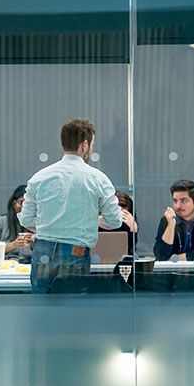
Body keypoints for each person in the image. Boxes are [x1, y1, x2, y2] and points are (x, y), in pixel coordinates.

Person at [18, 118, 122, 294]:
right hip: (75, 252)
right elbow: (115, 221)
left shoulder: (39, 177)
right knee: (71, 315)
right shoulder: (97, 179)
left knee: (41, 312)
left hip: (42, 250)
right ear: (85, 145)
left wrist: (50, 226)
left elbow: (26, 219)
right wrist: (91, 220)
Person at [153, 179, 194, 261]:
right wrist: (171, 225)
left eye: (183, 201)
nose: (178, 206)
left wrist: (176, 259)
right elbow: (161, 255)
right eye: (175, 201)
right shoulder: (167, 220)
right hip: (173, 271)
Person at [0, 185, 33, 262]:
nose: (25, 207)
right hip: (3, 266)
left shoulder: (39, 225)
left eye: (29, 204)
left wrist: (35, 245)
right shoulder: (0, 221)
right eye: (22, 202)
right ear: (14, 204)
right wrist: (13, 244)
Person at [99, 190, 138, 256]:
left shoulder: (128, 221)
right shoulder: (101, 220)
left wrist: (133, 229)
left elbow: (131, 250)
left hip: (123, 258)